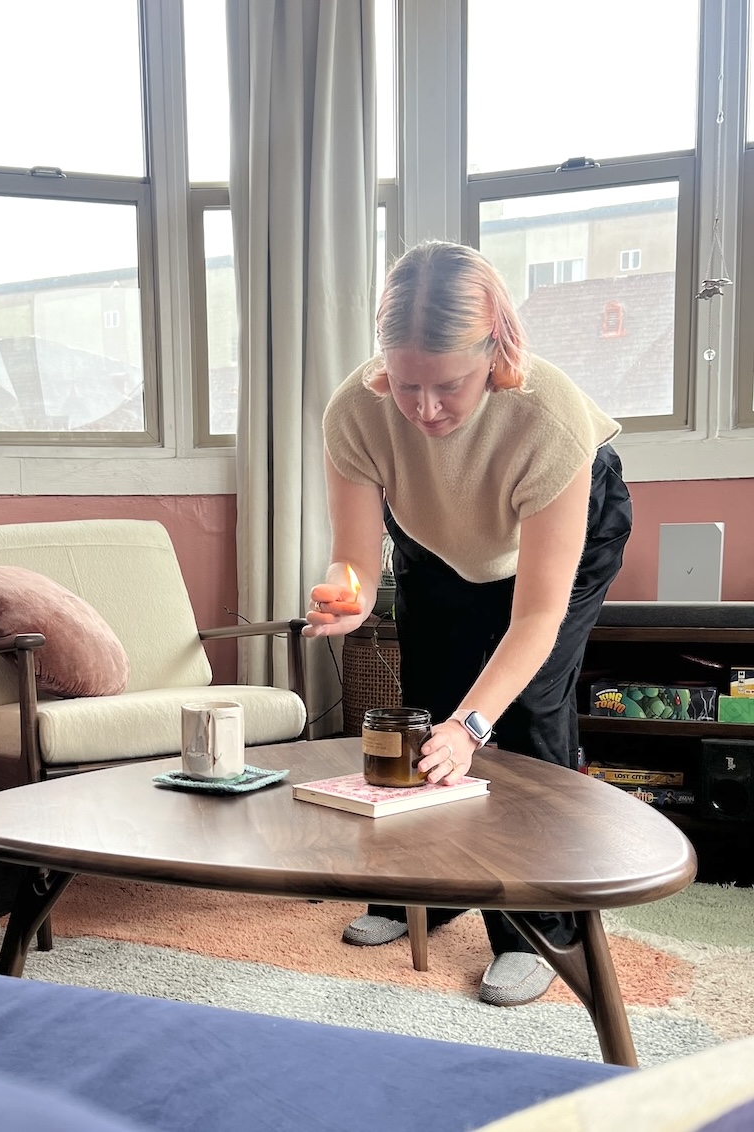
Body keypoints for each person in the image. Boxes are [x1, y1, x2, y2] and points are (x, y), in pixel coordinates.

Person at [303, 240, 633, 1008]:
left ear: (496, 350)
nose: (423, 409)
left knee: (527, 713)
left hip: (556, 549)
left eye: (447, 385)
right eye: (406, 383)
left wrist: (475, 723)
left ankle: (541, 927)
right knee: (427, 708)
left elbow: (538, 613)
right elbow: (352, 558)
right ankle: (432, 890)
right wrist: (344, 599)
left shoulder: (547, 415)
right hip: (440, 539)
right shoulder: (358, 409)